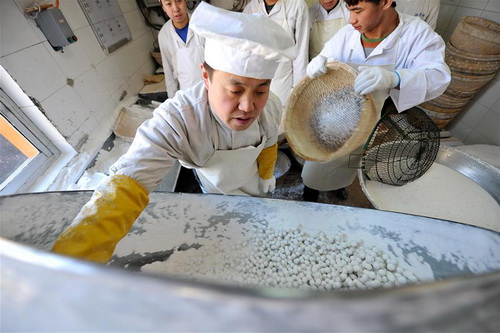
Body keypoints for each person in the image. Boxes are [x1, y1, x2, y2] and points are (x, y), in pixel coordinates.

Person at [51, 2, 296, 263]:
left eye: (260, 90)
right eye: (235, 91)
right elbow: (128, 182)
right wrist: (74, 258)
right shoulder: (179, 120)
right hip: (215, 190)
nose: (248, 107)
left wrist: (266, 177)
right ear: (205, 76)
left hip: (254, 184)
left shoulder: (270, 108)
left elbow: (269, 143)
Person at [301, 0, 450, 202]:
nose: (351, 19)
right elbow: (327, 55)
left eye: (358, 10)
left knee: (349, 161)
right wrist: (318, 62)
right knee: (317, 164)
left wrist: (395, 78)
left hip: (369, 119)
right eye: (349, 10)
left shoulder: (416, 34)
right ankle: (310, 192)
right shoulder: (348, 33)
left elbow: (438, 77)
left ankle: (337, 186)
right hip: (333, 115)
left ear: (386, 2)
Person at [243, 0, 310, 107]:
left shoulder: (297, 6)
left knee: (281, 117)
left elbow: (301, 52)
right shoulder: (251, 8)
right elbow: (245, 50)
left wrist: (298, 89)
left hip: (283, 81)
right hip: (255, 80)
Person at [158, 0, 205, 98]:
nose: (175, 9)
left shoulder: (202, 24)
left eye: (179, 1)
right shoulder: (164, 34)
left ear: (185, 2)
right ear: (163, 8)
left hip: (210, 90)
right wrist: (172, 100)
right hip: (186, 95)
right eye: (168, 4)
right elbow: (168, 71)